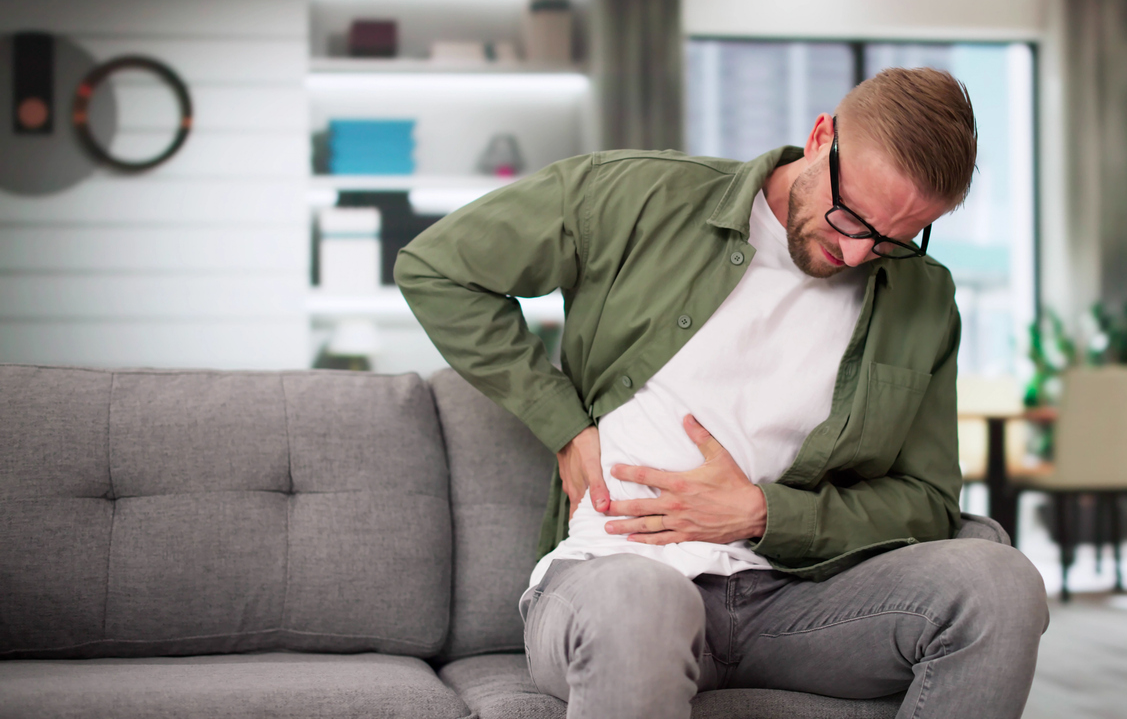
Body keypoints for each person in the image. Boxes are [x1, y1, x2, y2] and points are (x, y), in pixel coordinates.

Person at [395, 67, 1048, 719]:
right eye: (849, 218)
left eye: (893, 241)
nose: (856, 255)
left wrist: (764, 514)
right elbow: (437, 267)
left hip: (798, 602)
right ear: (821, 137)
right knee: (642, 602)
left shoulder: (924, 298)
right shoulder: (634, 194)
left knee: (1000, 584)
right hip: (619, 575)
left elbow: (928, 503)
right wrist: (560, 420)